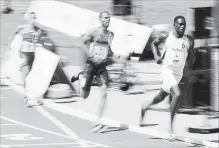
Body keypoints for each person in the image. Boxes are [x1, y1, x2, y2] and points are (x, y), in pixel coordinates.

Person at [140, 16, 196, 138]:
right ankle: (170, 129)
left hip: (178, 74)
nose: (182, 26)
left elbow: (192, 57)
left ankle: (145, 106)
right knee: (177, 93)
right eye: (180, 24)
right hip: (167, 70)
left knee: (160, 98)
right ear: (174, 25)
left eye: (184, 24)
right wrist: (156, 56)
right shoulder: (166, 36)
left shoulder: (189, 40)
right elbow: (153, 44)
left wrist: (191, 61)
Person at [71, 11, 119, 132]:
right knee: (84, 96)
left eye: (109, 18)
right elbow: (81, 44)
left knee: (104, 93)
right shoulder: (94, 32)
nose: (108, 20)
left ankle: (98, 121)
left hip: (101, 67)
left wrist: (114, 56)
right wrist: (91, 56)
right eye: (105, 18)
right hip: (91, 65)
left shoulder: (111, 35)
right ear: (100, 19)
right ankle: (81, 77)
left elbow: (108, 50)